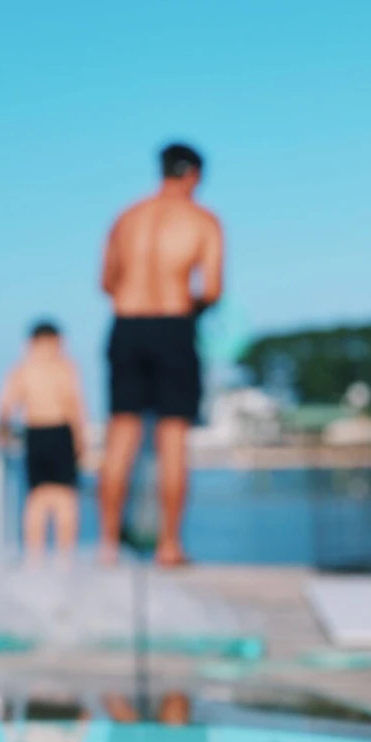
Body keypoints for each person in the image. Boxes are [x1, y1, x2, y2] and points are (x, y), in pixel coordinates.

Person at [97, 141, 224, 568]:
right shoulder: (203, 220)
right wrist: (189, 307)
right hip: (173, 325)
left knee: (120, 436)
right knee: (172, 439)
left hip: (127, 324)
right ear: (194, 175)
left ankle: (107, 545)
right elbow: (212, 288)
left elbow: (107, 282)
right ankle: (169, 545)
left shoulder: (126, 217)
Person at [0, 320, 90, 562]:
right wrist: (81, 439)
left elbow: (5, 405)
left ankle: (34, 559)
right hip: (60, 432)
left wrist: (3, 430)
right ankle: (64, 558)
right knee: (64, 498)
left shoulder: (22, 369)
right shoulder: (64, 367)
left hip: (34, 434)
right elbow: (74, 404)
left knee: (37, 498)